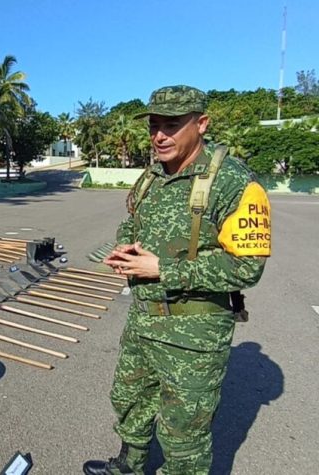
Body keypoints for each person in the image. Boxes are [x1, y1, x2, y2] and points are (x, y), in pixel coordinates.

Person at [83, 85, 271, 475]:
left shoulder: (234, 183)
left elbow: (247, 267)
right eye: (154, 126)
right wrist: (125, 247)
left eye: (172, 125)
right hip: (144, 318)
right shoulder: (152, 175)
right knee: (131, 399)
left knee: (184, 432)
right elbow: (132, 219)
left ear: (201, 124)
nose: (159, 136)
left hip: (195, 332)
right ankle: (130, 465)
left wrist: (163, 270)